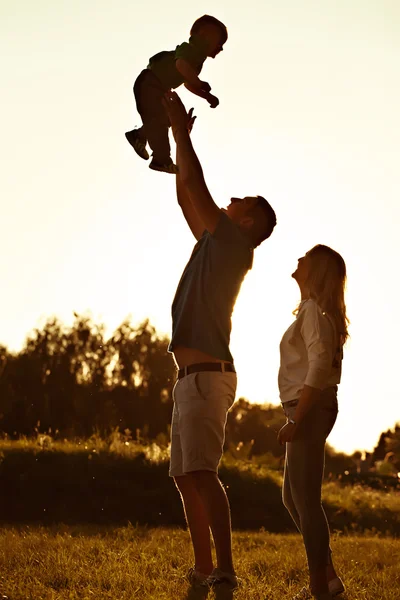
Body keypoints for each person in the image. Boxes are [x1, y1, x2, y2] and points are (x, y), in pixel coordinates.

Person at [162, 91, 276, 589]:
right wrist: (173, 139)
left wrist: (184, 135)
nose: (231, 201)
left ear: (247, 222)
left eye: (240, 202)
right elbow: (187, 191)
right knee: (186, 478)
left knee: (203, 475)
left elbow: (200, 188)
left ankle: (226, 571)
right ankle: (205, 569)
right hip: (190, 379)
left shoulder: (234, 243)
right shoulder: (214, 240)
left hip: (208, 378)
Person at [277, 245, 349, 600]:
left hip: (309, 408)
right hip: (306, 408)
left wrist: (298, 419)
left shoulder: (314, 314)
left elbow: (319, 368)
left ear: (316, 270)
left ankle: (320, 588)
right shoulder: (312, 312)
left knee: (305, 500)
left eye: (305, 257)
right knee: (293, 498)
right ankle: (328, 577)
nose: (299, 260)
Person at [125, 15, 227, 174]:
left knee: (165, 118)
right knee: (160, 118)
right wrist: (199, 83)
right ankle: (161, 159)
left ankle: (139, 135)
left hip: (156, 86)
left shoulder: (197, 63)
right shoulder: (188, 49)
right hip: (150, 82)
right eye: (219, 42)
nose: (221, 48)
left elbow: (188, 83)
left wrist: (206, 96)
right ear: (203, 36)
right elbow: (181, 66)